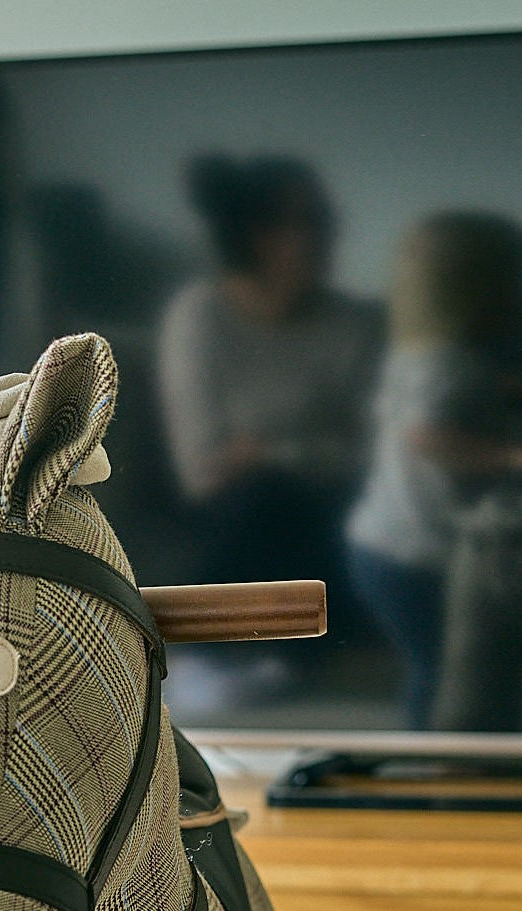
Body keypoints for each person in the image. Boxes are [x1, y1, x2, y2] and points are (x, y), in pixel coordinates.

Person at [345, 210, 522, 729]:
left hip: (377, 546)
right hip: (412, 554)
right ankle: (433, 766)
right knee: (441, 668)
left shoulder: (417, 354)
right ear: (479, 291)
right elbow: (427, 435)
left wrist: (510, 392)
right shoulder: (449, 364)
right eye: (513, 284)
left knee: (432, 661)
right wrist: (517, 457)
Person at [157, 153, 379, 590]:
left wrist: (268, 453)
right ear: (258, 235)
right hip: (241, 518)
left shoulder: (352, 325)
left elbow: (372, 457)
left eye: (327, 221)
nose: (327, 236)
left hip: (335, 510)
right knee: (258, 505)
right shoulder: (199, 317)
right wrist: (312, 454)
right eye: (308, 222)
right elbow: (202, 474)